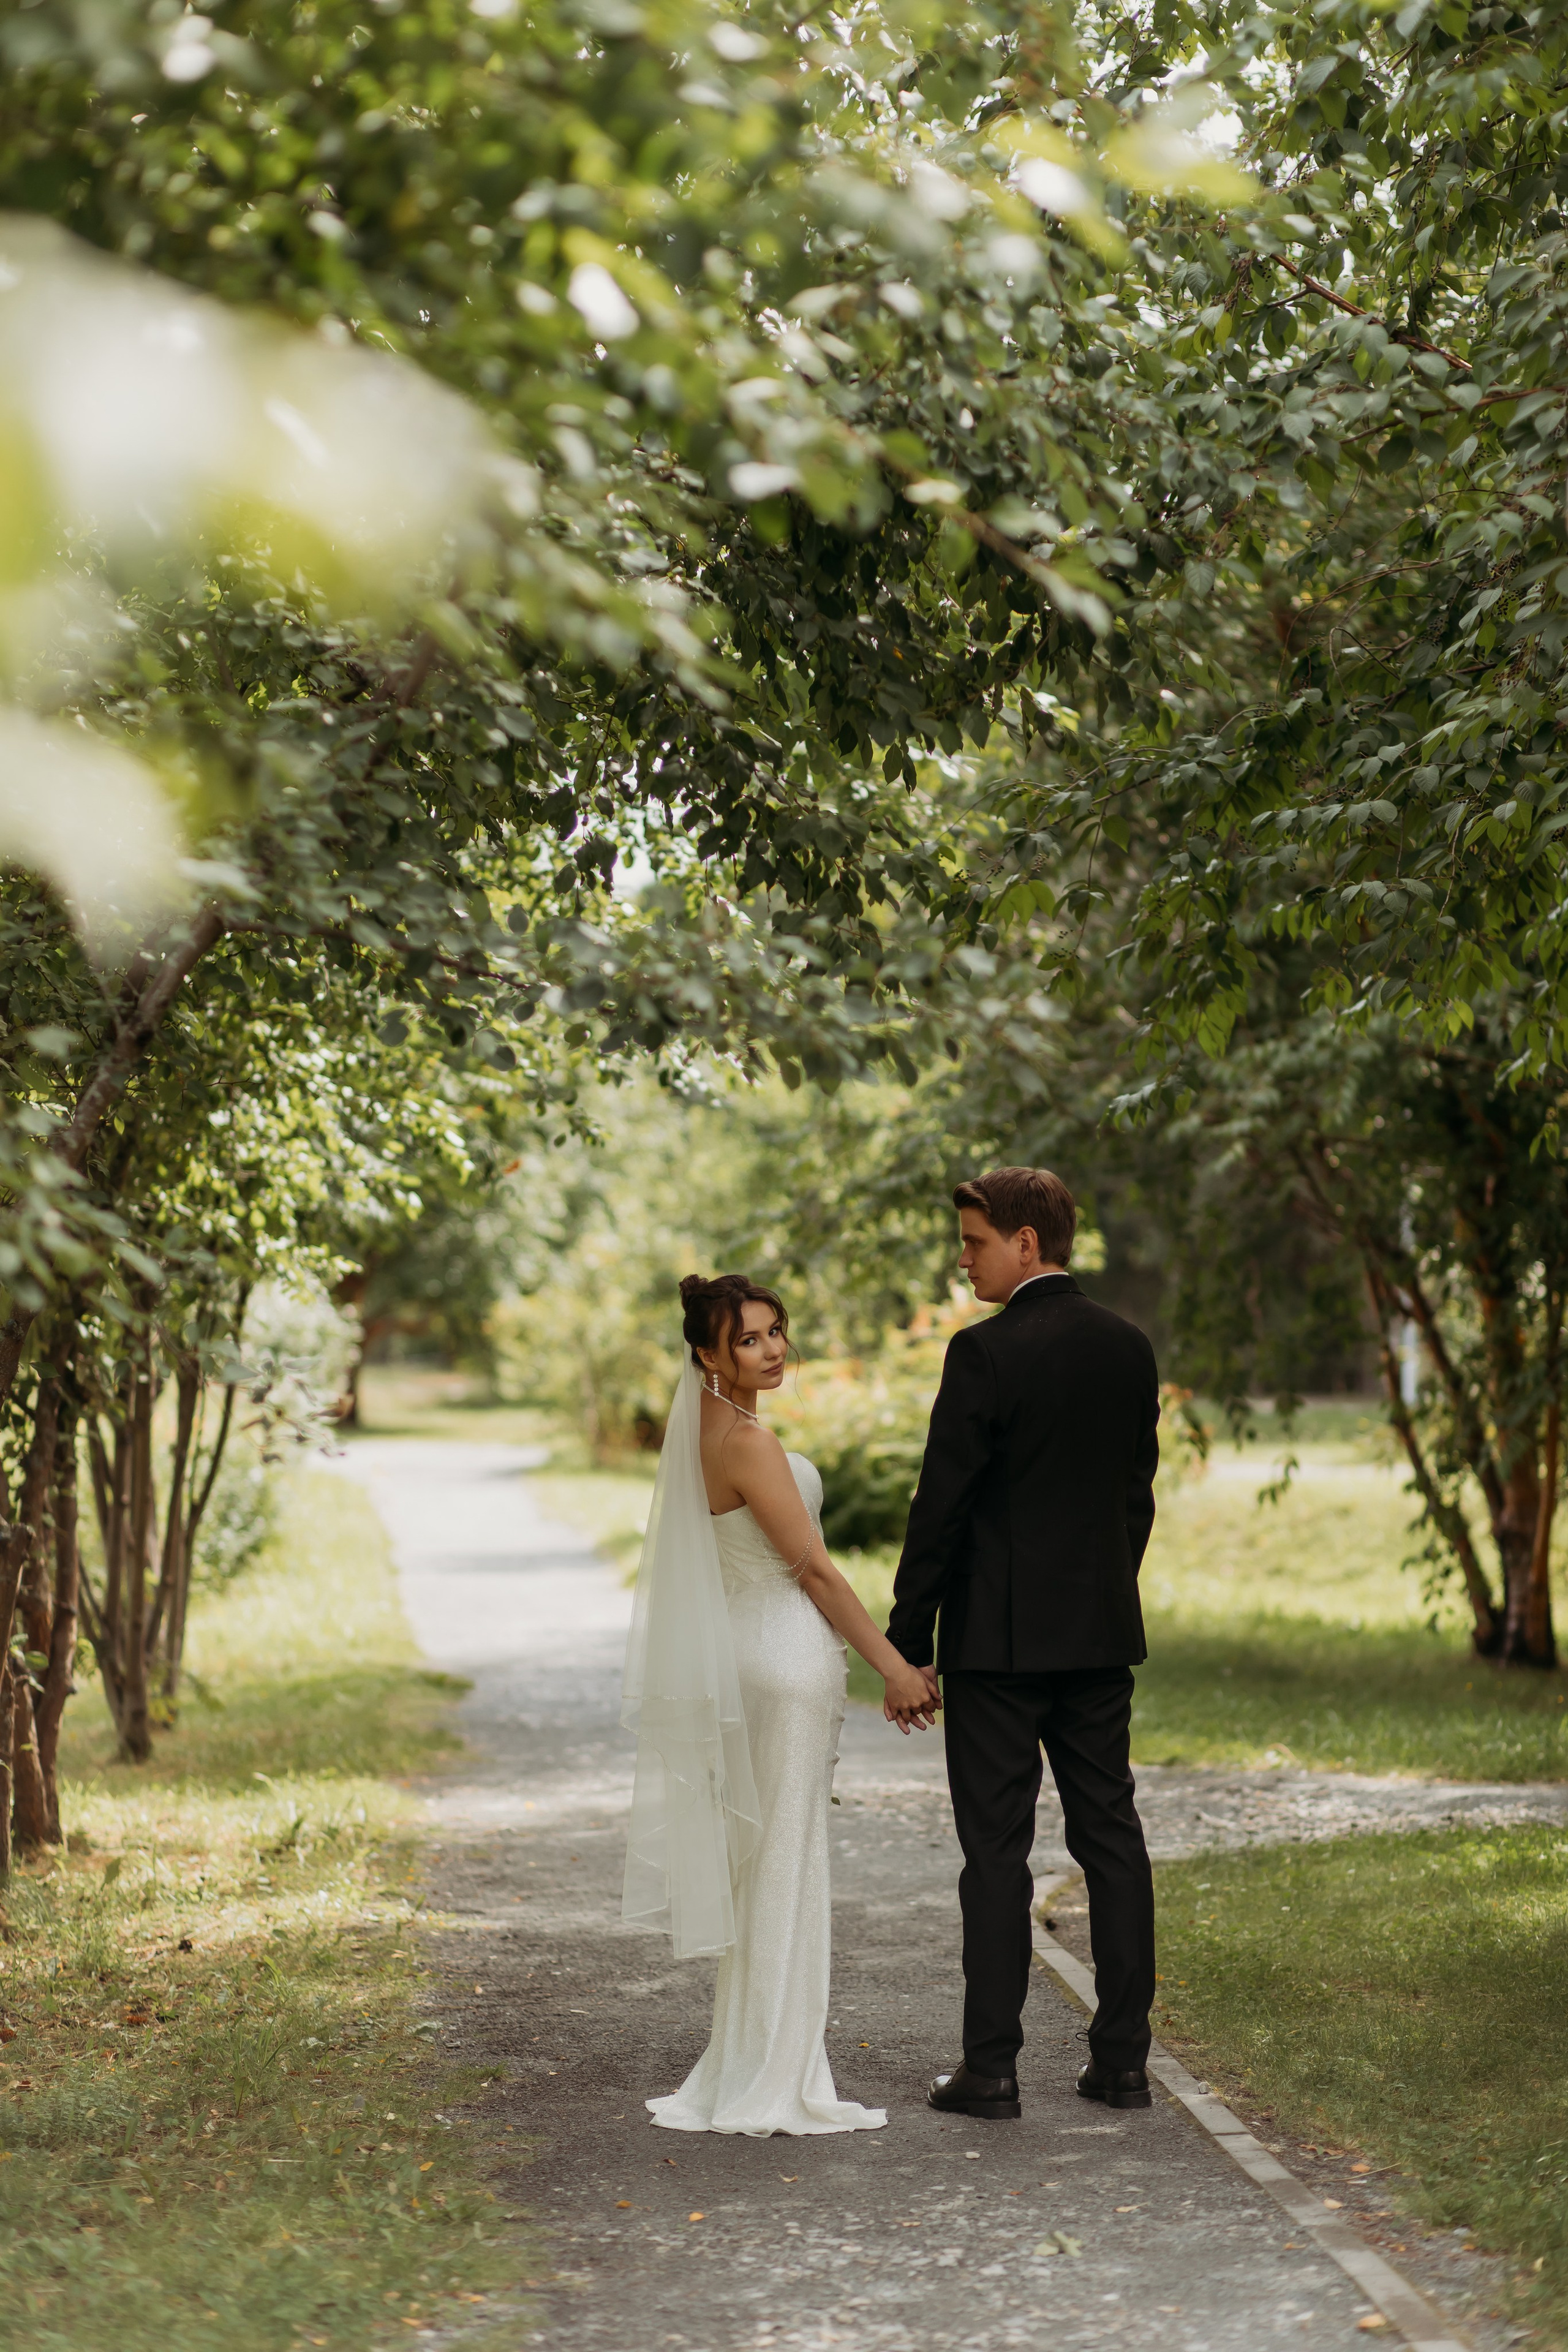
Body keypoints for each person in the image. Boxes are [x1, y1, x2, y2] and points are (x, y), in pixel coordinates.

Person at [621, 1272, 937, 2136]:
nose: (772, 1350)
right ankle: (772, 2074)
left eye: (777, 1332)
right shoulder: (748, 1445)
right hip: (786, 1663)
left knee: (769, 1864)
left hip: (748, 1658)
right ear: (707, 1354)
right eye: (750, 1339)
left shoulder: (708, 1434)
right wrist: (895, 1668)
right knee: (785, 1866)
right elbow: (815, 1570)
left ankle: (751, 2062)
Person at [886, 1167, 1161, 2121]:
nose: (964, 1259)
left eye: (974, 1242)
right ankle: (1123, 2063)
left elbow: (943, 1508)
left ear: (1026, 1245)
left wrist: (907, 1641)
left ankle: (991, 2070)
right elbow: (1136, 1497)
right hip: (1096, 1639)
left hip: (995, 1651)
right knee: (1113, 1838)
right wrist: (1100, 1593)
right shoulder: (1129, 1348)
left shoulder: (983, 1354)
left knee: (995, 1855)